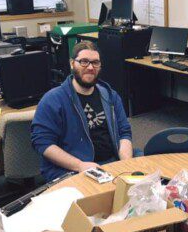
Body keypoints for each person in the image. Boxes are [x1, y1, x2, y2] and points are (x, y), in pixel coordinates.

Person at [31, 41, 133, 182]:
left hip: (112, 161)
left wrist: (126, 163)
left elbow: (124, 132)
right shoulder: (53, 99)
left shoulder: (110, 95)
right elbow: (43, 143)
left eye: (95, 62)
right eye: (84, 62)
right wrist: (79, 165)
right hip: (73, 168)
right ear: (72, 63)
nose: (90, 67)